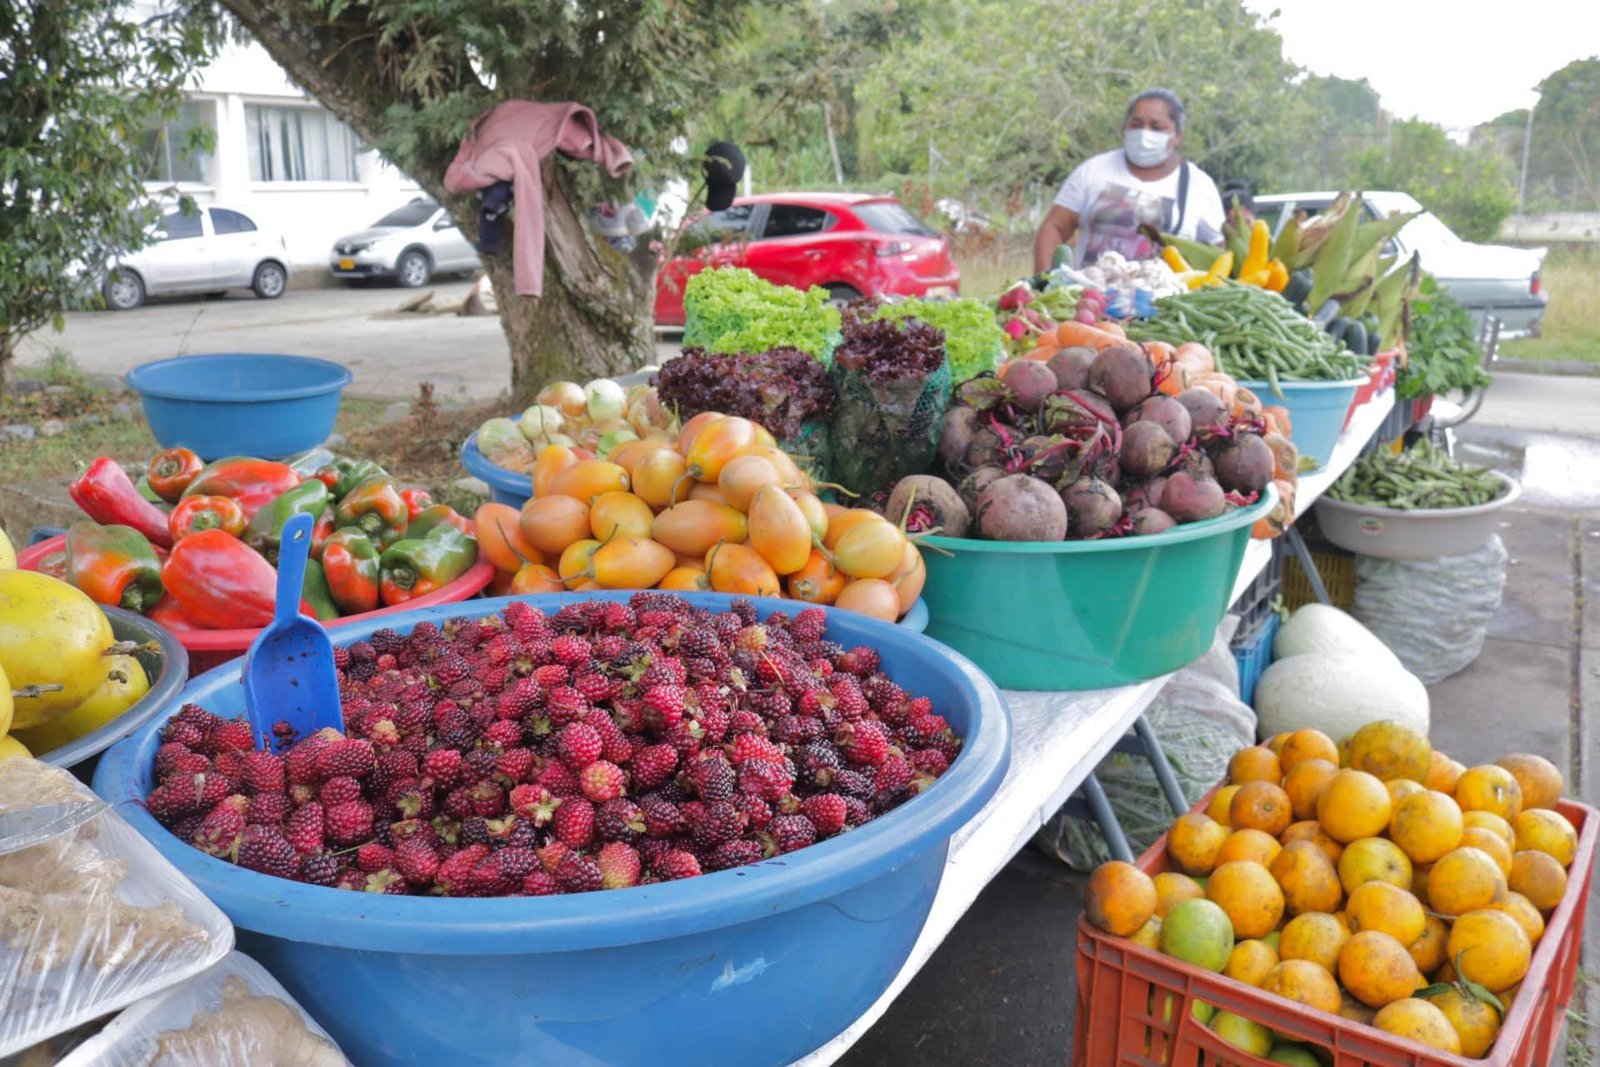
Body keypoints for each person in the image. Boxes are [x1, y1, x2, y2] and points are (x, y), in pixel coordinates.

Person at [1033, 88, 1225, 273]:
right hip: (1089, 294)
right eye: (1136, 124)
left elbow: (1220, 253)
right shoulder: (1094, 171)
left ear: (1177, 136)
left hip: (1166, 295)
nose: (1144, 133)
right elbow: (1055, 227)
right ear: (1125, 127)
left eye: (1157, 127)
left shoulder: (1198, 186)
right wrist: (1046, 281)